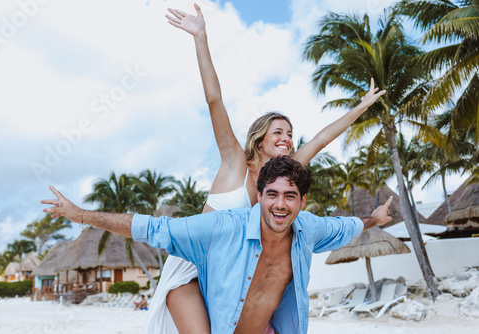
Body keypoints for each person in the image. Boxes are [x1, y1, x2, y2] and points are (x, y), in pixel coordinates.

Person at [154, 3, 387, 333]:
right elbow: (214, 100)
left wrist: (360, 107)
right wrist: (200, 37)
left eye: (290, 134)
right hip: (192, 267)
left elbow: (320, 139)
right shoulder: (234, 161)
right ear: (260, 138)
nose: (287, 139)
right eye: (278, 131)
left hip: (231, 274)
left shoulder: (281, 177)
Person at [41, 156, 393, 333]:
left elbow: (346, 226)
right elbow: (150, 227)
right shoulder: (222, 229)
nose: (280, 205)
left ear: (302, 201)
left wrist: (374, 219)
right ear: (259, 195)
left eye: (290, 196)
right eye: (272, 194)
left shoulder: (310, 229)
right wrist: (82, 215)